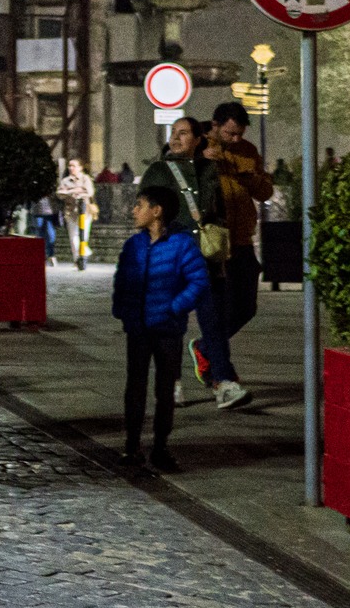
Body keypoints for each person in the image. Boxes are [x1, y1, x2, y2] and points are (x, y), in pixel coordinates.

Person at [140, 116, 247, 409]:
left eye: (183, 133)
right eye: (174, 133)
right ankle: (171, 383)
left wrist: (220, 250)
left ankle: (224, 383)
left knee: (214, 324)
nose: (176, 138)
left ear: (198, 140)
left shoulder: (209, 169)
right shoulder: (158, 171)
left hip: (206, 262)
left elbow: (219, 212)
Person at [112, 184, 210, 473]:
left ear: (157, 211)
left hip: (167, 330)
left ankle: (160, 447)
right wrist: (123, 311)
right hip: (138, 329)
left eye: (139, 205)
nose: (134, 210)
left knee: (165, 390)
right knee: (135, 388)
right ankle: (131, 446)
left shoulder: (181, 245)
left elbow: (198, 282)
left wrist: (174, 307)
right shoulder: (134, 245)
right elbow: (123, 281)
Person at [208, 101, 272, 348]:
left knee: (246, 307)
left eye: (239, 134)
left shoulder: (248, 150)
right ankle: (214, 359)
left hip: (242, 239)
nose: (235, 139)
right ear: (215, 126)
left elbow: (266, 192)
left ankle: (206, 347)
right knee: (218, 304)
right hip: (214, 239)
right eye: (229, 133)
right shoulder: (201, 148)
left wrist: (252, 179)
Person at [57, 158, 96, 271]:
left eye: (74, 166)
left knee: (84, 236)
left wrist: (69, 191)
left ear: (80, 167)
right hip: (70, 211)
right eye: (69, 166)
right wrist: (75, 190)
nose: (71, 168)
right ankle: (78, 258)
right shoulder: (66, 180)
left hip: (85, 211)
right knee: (73, 237)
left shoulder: (85, 178)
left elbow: (89, 192)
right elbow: (60, 193)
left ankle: (81, 257)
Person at [29, 191, 59, 263]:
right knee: (40, 233)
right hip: (38, 211)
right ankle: (42, 254)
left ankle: (50, 254)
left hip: (50, 212)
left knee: (50, 233)